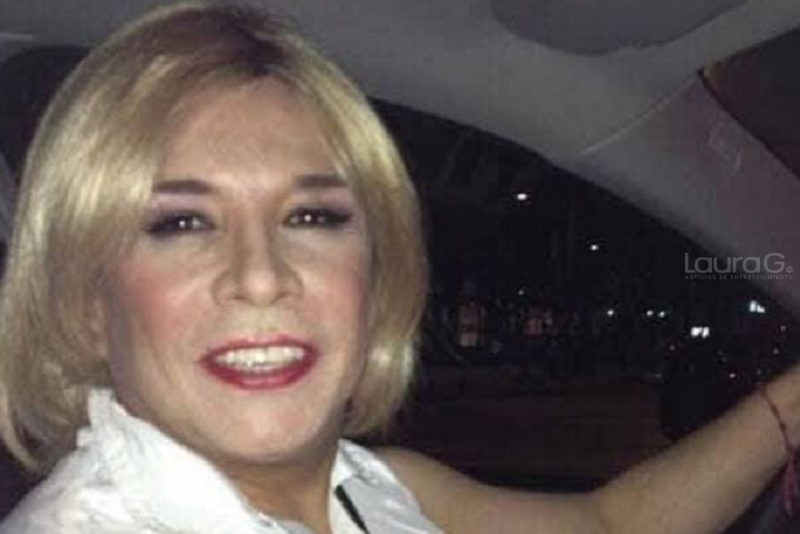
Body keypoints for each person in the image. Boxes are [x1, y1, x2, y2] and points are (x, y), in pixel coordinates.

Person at [0, 2, 799, 533]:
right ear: (87, 305)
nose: (262, 276)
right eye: (180, 223)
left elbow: (610, 524)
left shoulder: (373, 485)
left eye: (312, 217)